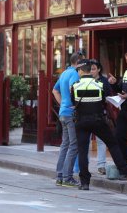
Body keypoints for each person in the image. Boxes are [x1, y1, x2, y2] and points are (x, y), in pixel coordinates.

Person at [72, 59, 127, 191]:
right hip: (98, 120)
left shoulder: (75, 85)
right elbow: (103, 101)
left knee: (83, 151)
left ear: (82, 70)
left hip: (81, 121)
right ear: (90, 70)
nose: (77, 72)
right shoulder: (99, 84)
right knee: (112, 144)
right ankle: (124, 171)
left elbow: (74, 101)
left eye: (78, 70)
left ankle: (84, 182)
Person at [52, 52, 84, 187]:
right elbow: (73, 88)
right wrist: (74, 104)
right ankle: (67, 177)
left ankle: (60, 176)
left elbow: (55, 90)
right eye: (83, 63)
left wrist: (62, 104)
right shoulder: (74, 74)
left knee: (65, 145)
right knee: (73, 145)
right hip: (71, 114)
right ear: (78, 62)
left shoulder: (64, 73)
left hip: (63, 113)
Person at [89, 59, 112, 175]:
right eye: (90, 69)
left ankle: (101, 165)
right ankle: (84, 165)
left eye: (93, 69)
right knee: (85, 141)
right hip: (86, 114)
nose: (91, 71)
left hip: (100, 113)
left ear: (98, 69)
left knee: (101, 140)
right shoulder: (85, 80)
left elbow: (108, 96)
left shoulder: (104, 81)